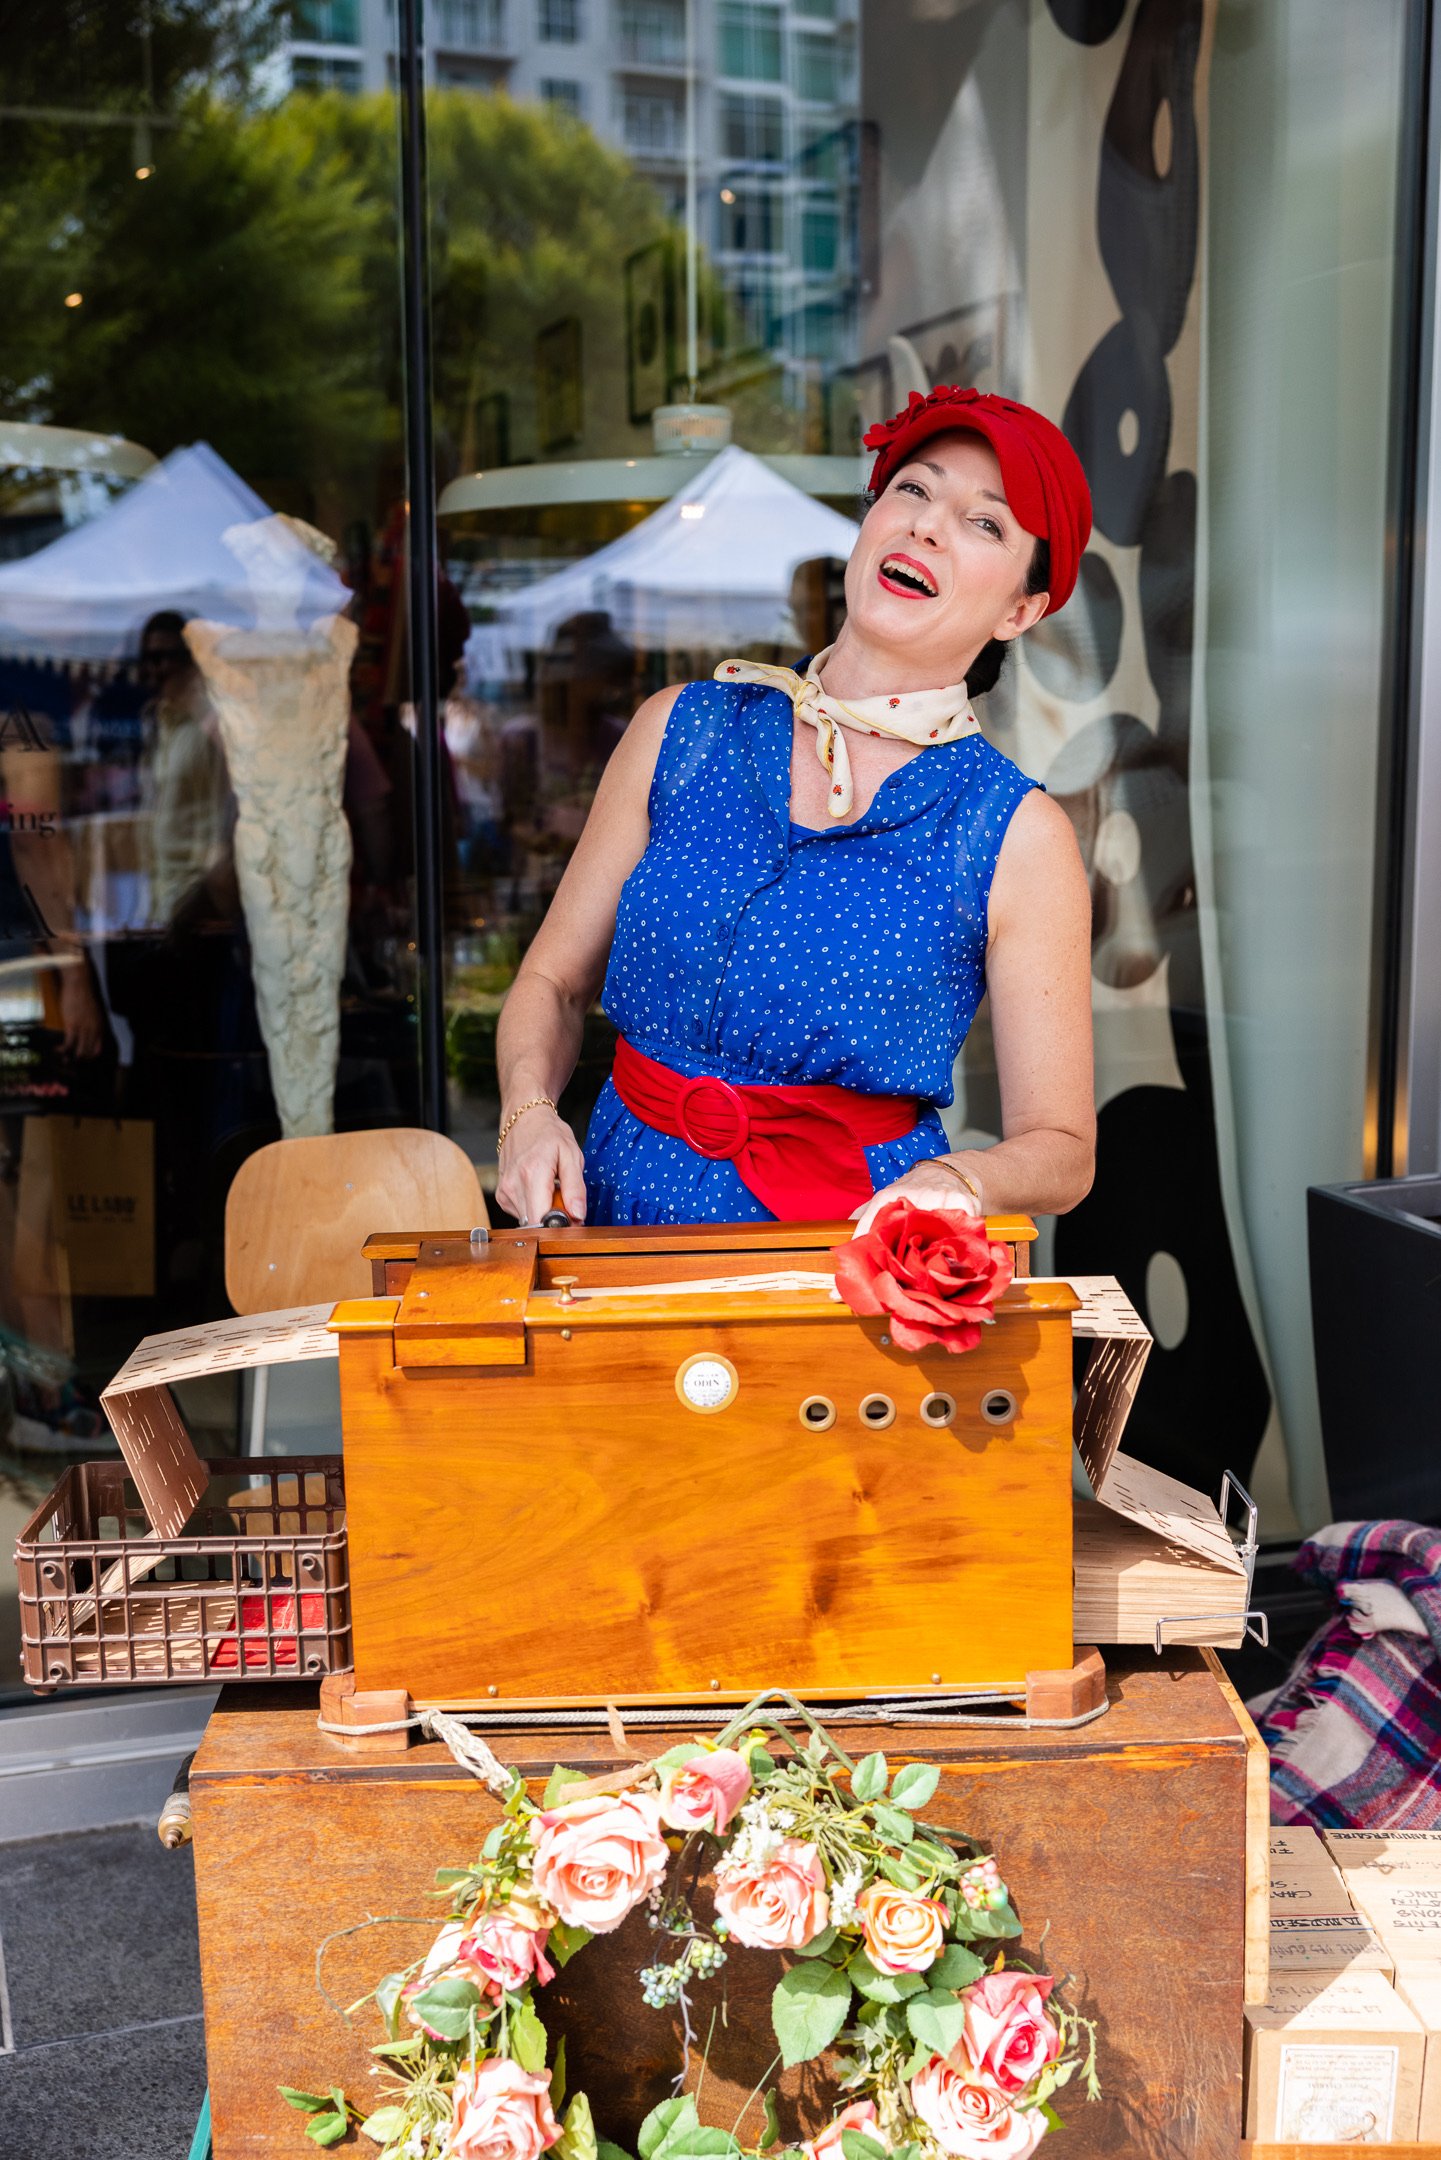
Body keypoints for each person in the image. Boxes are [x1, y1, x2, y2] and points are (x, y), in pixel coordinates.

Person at [495, 386, 1095, 1230]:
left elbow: (1061, 1146)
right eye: (913, 489)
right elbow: (551, 984)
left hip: (847, 1258)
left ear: (1020, 609)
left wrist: (960, 1182)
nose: (927, 524)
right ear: (870, 520)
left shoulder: (1015, 834)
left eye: (984, 523)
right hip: (614, 1224)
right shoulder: (682, 729)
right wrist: (527, 1115)